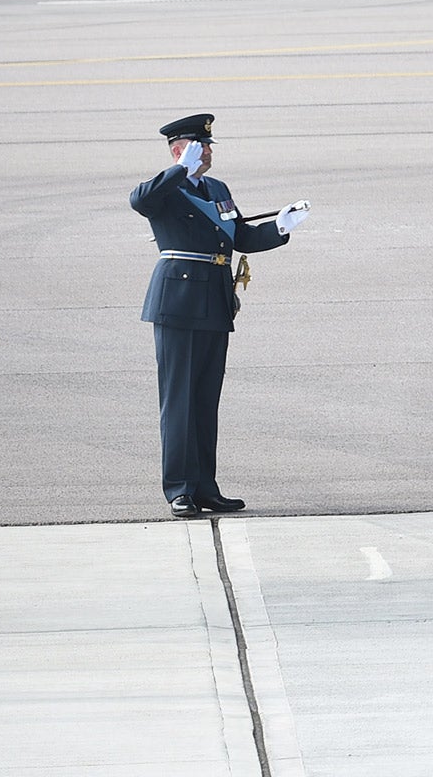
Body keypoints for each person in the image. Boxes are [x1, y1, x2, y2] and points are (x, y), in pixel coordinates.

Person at [131, 114, 310, 519]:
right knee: (178, 400)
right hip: (177, 301)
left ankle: (205, 488)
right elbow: (139, 201)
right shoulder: (165, 189)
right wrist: (177, 170)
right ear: (182, 149)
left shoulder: (216, 188)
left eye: (208, 146)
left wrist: (279, 227)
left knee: (204, 401)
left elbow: (239, 236)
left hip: (214, 299)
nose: (209, 151)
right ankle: (179, 489)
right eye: (201, 146)